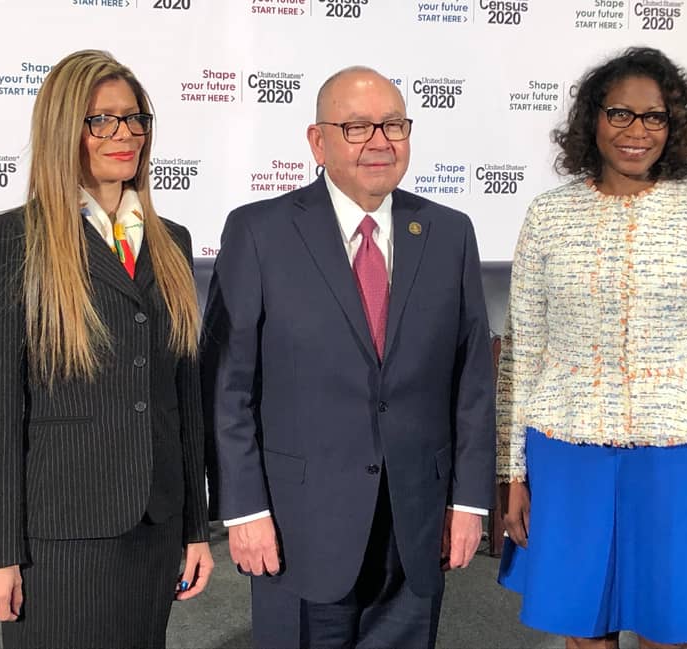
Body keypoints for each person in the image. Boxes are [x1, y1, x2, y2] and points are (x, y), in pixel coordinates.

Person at [202, 66, 496, 649]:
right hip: (297, 525)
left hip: (417, 521)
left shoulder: (449, 232)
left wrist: (467, 501)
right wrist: (243, 511)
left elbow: (472, 382)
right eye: (357, 127)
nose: (380, 141)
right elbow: (227, 386)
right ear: (318, 141)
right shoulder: (258, 232)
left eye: (393, 124)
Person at [496, 46, 687, 649]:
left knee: (669, 631)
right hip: (566, 454)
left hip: (682, 458)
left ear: (675, 128)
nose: (636, 131)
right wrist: (513, 470)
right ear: (592, 119)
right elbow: (525, 356)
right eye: (620, 113)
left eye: (654, 117)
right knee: (582, 630)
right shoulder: (546, 215)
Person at [0, 49, 213, 649]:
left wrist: (194, 529)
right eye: (100, 119)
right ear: (62, 129)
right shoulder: (14, 238)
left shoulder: (171, 240)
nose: (123, 133)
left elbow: (182, 397)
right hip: (61, 534)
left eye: (134, 118)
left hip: (155, 524)